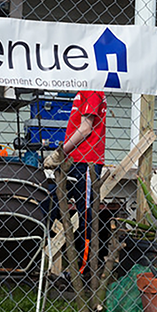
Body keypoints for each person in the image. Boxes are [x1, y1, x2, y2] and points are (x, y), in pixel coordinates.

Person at [43, 90, 107, 272]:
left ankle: (84, 269)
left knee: (86, 215)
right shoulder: (83, 90)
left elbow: (86, 128)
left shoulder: (92, 89)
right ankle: (44, 258)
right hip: (73, 160)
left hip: (86, 161)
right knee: (51, 204)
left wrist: (60, 152)